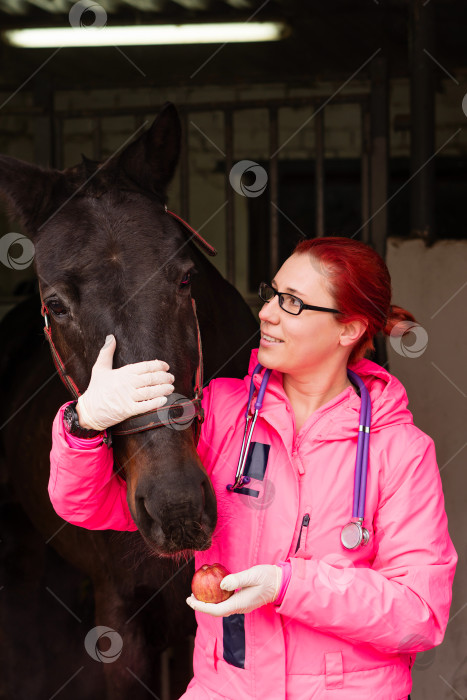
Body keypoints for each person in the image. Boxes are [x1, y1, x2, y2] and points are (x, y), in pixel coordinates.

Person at [48, 236, 457, 700]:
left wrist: (288, 586)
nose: (265, 313)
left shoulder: (400, 451)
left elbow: (418, 617)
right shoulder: (219, 414)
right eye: (272, 294)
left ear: (348, 330)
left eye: (293, 303)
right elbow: (91, 506)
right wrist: (83, 426)